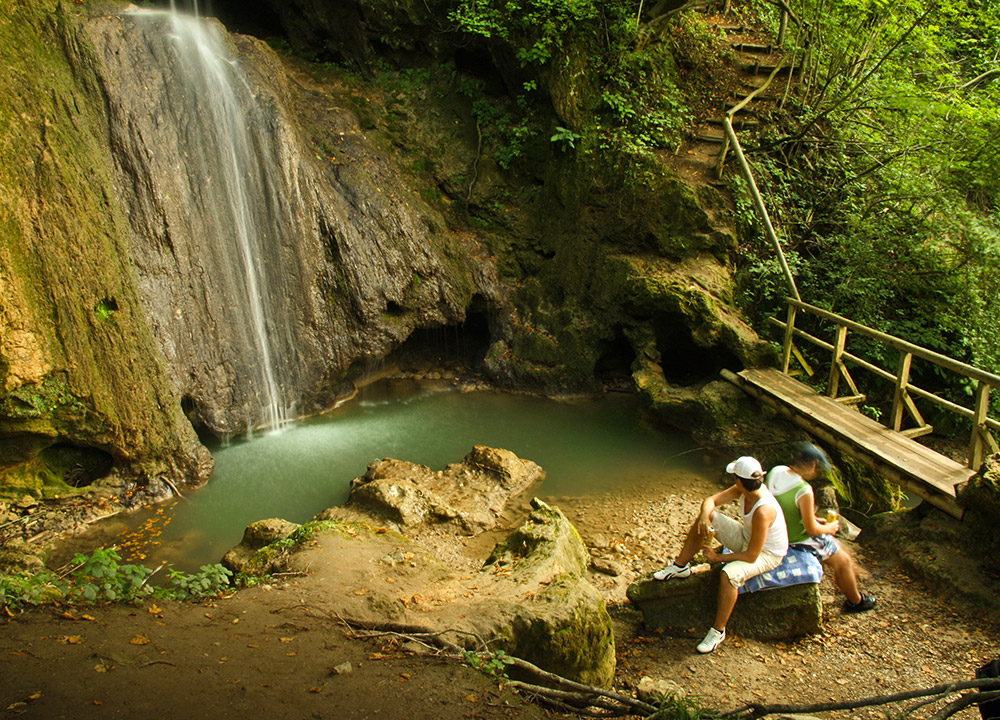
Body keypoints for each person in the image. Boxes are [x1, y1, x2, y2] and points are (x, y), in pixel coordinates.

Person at [653, 456, 788, 653]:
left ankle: (718, 631)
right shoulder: (743, 490)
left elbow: (751, 556)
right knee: (705, 516)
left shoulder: (763, 510)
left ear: (740, 481)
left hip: (766, 554)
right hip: (746, 538)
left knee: (729, 575)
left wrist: (718, 558)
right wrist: (706, 519)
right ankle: (680, 566)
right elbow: (711, 500)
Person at [766, 443, 876, 612]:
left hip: (776, 530)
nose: (817, 473)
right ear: (812, 465)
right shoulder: (804, 490)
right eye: (818, 468)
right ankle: (856, 601)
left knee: (840, 549)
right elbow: (812, 530)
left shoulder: (776, 471)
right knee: (843, 560)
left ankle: (846, 583)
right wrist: (830, 528)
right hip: (795, 539)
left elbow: (785, 508)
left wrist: (815, 519)